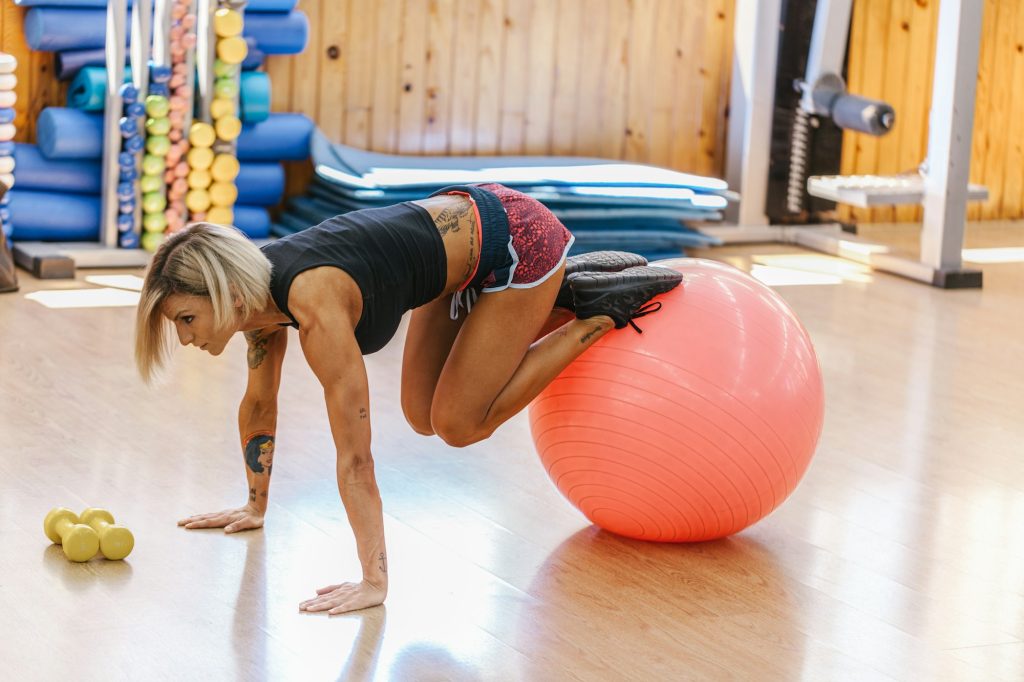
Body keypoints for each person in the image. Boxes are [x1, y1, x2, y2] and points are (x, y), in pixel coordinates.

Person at [134, 182, 682, 615]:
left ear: (226, 293)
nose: (184, 338)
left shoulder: (314, 306)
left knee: (460, 423)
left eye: (187, 319)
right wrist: (254, 505)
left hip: (518, 239)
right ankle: (565, 294)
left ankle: (596, 313)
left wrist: (373, 580)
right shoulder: (255, 299)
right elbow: (259, 403)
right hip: (461, 252)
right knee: (422, 417)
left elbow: (355, 458)